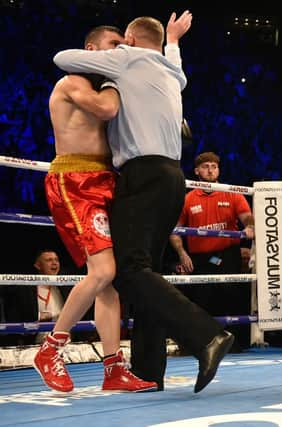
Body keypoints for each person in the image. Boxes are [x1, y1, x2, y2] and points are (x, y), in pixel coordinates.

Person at [52, 11, 234, 393]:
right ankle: (150, 371)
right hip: (172, 177)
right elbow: (174, 62)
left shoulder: (126, 60)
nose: (117, 48)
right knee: (145, 272)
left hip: (143, 175)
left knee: (130, 271)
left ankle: (206, 336)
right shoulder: (172, 73)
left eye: (122, 43)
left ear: (130, 42)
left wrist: (111, 60)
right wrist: (173, 40)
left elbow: (61, 58)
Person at [33, 25, 157, 393]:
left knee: (109, 285)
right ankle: (51, 349)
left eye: (124, 46)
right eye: (113, 45)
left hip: (104, 180)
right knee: (103, 272)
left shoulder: (100, 85)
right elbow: (106, 108)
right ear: (91, 48)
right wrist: (121, 81)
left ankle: (113, 369)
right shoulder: (72, 83)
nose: (120, 51)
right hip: (74, 180)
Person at [169, 151, 254, 349]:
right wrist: (182, 253)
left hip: (227, 255)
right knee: (201, 301)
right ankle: (204, 345)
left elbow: (247, 216)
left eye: (214, 166)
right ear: (197, 170)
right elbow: (174, 230)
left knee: (231, 296)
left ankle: (235, 342)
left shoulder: (232, 192)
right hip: (199, 258)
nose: (210, 170)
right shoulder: (188, 198)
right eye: (206, 166)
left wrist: (250, 226)